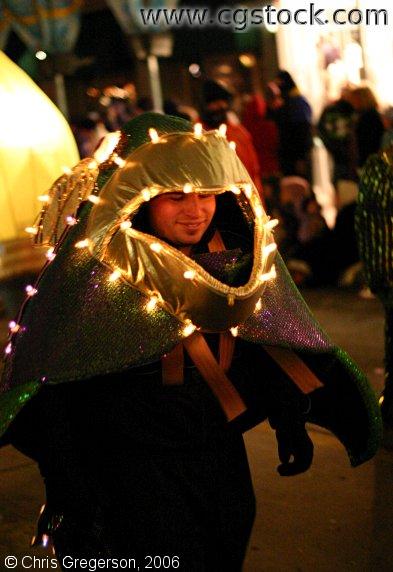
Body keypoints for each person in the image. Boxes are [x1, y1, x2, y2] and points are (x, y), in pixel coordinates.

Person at [0, 113, 381, 571]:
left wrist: (288, 418)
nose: (195, 209)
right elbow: (54, 388)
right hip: (128, 473)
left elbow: (268, 343)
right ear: (137, 197)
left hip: (217, 456)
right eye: (175, 195)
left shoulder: (235, 254)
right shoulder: (90, 272)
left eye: (205, 194)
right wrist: (70, 488)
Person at [267, 70, 314, 181]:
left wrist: (301, 157)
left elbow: (302, 131)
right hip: (288, 155)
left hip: (296, 156)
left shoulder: (297, 103)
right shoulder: (289, 102)